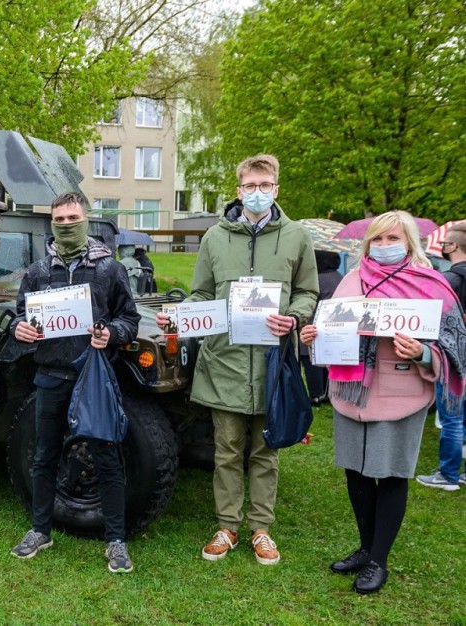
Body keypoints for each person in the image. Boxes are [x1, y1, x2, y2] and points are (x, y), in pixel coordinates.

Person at [156, 154, 318, 566]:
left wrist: (295, 316)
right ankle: (227, 526)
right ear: (239, 189)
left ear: (276, 189)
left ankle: (260, 529)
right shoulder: (214, 237)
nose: (258, 192)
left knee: (266, 450)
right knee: (226, 450)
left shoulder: (297, 236)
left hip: (271, 363)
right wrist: (179, 314)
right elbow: (200, 294)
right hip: (224, 360)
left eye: (265, 185)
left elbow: (307, 292)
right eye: (251, 186)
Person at [300, 211, 465, 594]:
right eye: (378, 239)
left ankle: (379, 560)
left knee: (390, 473)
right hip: (350, 392)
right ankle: (364, 547)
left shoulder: (432, 285)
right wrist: (314, 336)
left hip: (400, 393)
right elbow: (332, 331)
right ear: (367, 244)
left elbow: (455, 344)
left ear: (409, 242)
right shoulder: (352, 281)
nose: (385, 246)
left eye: (393, 239)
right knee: (355, 470)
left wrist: (424, 352)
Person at [9, 192, 140, 574]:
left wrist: (111, 334)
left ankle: (115, 540)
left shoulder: (109, 270)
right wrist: (21, 329)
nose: (66, 224)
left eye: (72, 217)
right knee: (43, 457)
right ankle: (39, 530)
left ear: (86, 219)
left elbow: (128, 319)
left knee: (106, 457)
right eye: (59, 218)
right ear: (51, 222)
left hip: (93, 375)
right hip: (49, 374)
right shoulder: (36, 272)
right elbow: (20, 316)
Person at [416, 221, 466, 491]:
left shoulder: (450, 280)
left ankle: (448, 475)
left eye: (445, 243)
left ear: (454, 246)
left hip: (454, 355)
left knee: (452, 418)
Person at [300, 250, 344, 405]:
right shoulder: (339, 277)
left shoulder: (318, 279)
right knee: (327, 361)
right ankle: (327, 392)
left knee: (310, 361)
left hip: (313, 323)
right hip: (334, 324)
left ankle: (315, 394)